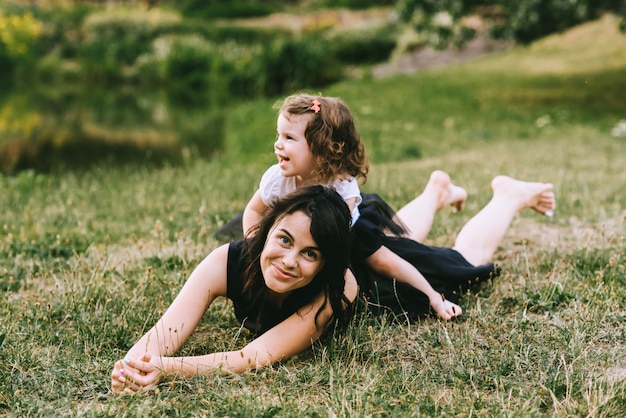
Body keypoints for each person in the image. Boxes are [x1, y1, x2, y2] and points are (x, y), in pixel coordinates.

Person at [242, 93, 556, 321]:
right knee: (399, 240)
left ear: (323, 153)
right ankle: (436, 192)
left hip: (356, 260)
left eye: (288, 137)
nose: (277, 144)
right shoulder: (277, 179)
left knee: (461, 261)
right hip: (335, 247)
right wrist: (256, 246)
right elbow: (254, 211)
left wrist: (433, 295)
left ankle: (507, 196)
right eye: (278, 135)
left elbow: (380, 257)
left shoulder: (341, 204)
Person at [111, 185, 358, 394]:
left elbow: (254, 356)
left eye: (310, 253)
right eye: (284, 239)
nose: (289, 261)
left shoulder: (339, 286)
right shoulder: (226, 261)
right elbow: (165, 332)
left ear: (325, 264)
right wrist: (130, 369)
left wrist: (166, 368)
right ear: (268, 228)